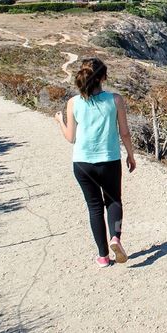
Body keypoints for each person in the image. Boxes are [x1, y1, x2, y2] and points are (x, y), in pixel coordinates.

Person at [55, 58, 136, 267]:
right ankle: (115, 238)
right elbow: (125, 133)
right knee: (114, 201)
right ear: (103, 77)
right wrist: (130, 155)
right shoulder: (115, 100)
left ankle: (102, 256)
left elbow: (70, 137)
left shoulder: (73, 103)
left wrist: (59, 122)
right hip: (108, 160)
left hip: (82, 164)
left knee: (94, 208)